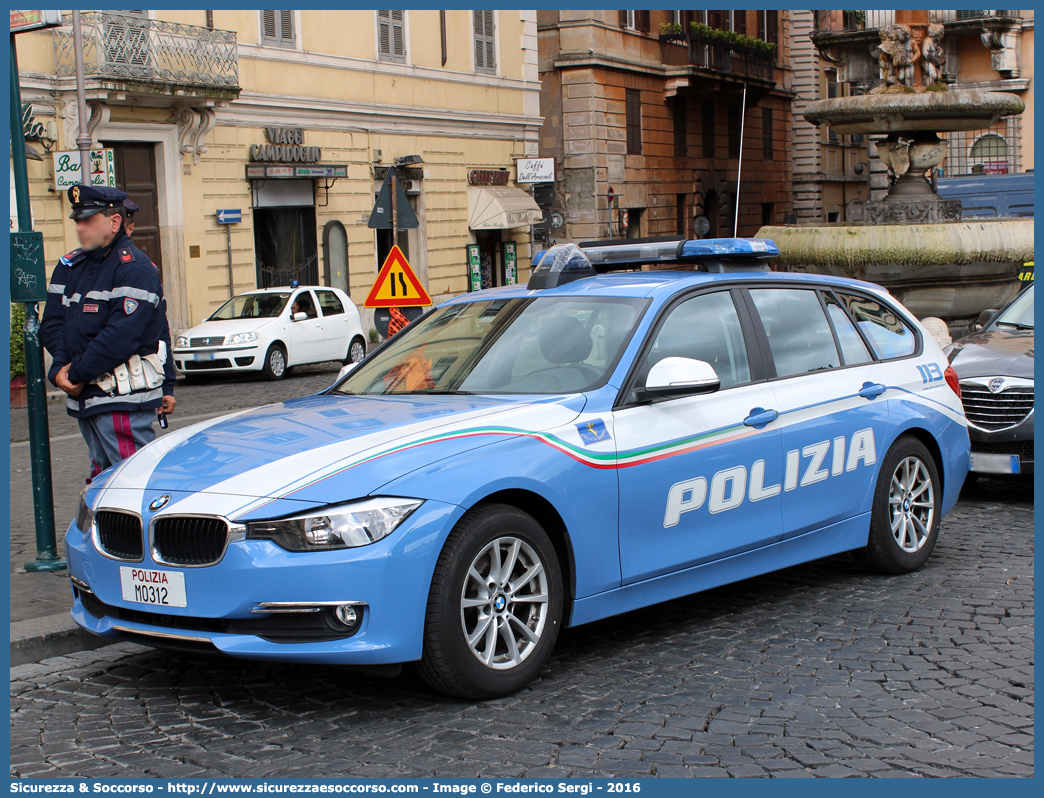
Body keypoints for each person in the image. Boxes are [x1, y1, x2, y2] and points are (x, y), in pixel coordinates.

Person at [40, 185, 175, 482]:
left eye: (88, 220)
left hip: (120, 395)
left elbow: (123, 335)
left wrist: (74, 373)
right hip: (86, 397)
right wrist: (61, 368)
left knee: (134, 482)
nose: (79, 227)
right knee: (103, 479)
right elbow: (53, 324)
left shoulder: (135, 267)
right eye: (77, 220)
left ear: (114, 222)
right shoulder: (73, 266)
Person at [123, 198, 176, 422]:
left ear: (129, 228)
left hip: (137, 381)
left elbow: (160, 331)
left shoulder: (143, 269)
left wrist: (168, 386)